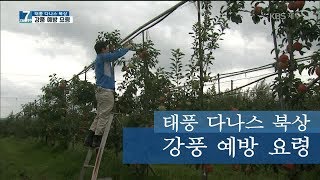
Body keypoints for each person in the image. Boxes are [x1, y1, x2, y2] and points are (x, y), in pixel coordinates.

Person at [84, 40, 133, 148]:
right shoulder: (102, 57)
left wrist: (112, 50)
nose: (107, 48)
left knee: (100, 115)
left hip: (101, 91)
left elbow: (112, 55)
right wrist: (127, 48)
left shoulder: (102, 59)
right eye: (106, 47)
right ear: (102, 50)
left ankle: (89, 138)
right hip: (106, 91)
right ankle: (97, 139)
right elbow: (116, 55)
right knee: (104, 115)